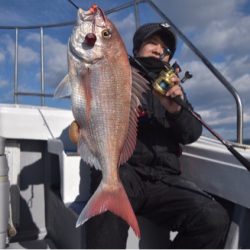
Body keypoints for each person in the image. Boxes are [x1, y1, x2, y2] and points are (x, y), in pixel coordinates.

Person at [84, 22, 230, 249]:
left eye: (166, 49)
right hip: (124, 171)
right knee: (108, 187)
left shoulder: (172, 86)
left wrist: (176, 110)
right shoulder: (116, 75)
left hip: (164, 181)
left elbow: (191, 133)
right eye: (152, 42)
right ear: (135, 49)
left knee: (214, 218)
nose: (159, 50)